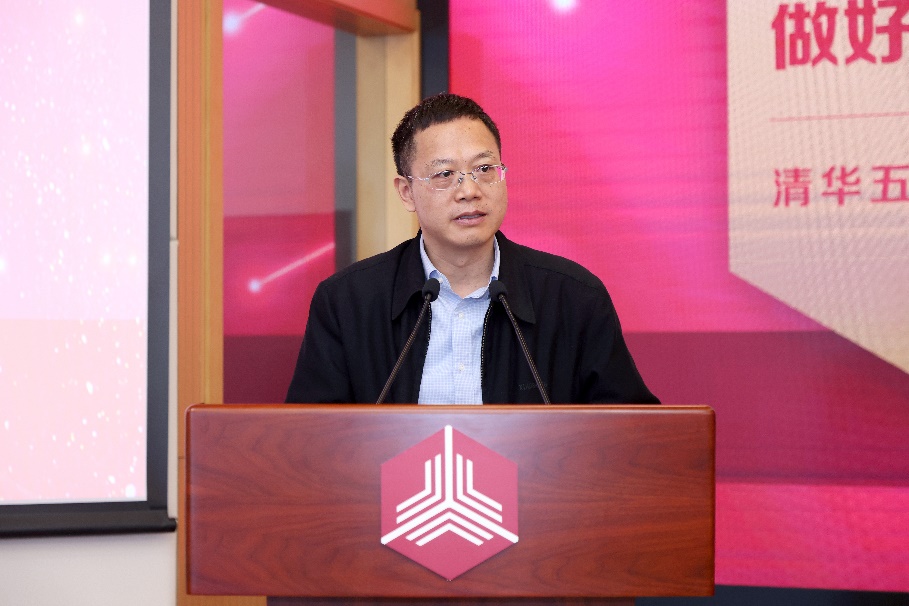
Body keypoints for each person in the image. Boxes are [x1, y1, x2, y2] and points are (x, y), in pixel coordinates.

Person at [286, 93, 658, 405]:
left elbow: (631, 436)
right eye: (445, 174)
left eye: (484, 169)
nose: (469, 190)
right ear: (407, 192)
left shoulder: (573, 298)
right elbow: (310, 442)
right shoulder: (347, 302)